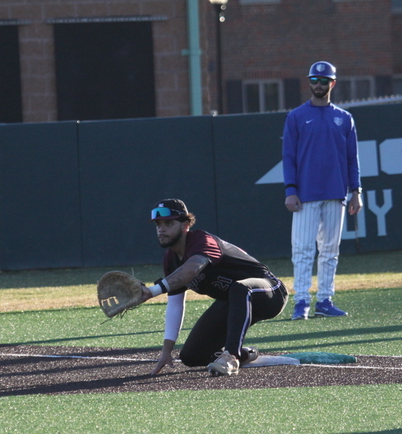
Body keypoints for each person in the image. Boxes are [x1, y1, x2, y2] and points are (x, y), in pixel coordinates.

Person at [140, 199, 288, 376]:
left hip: (269, 293)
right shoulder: (170, 259)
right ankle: (245, 354)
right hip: (235, 304)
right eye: (158, 224)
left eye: (168, 223)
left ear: (186, 225)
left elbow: (192, 268)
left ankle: (231, 356)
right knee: (191, 356)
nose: (161, 229)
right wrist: (166, 351)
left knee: (240, 288)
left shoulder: (203, 240)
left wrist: (153, 290)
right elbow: (175, 304)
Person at [282, 60, 363, 321]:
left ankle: (325, 300)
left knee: (330, 250)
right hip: (305, 194)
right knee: (303, 249)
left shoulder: (344, 117)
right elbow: (288, 157)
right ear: (309, 83)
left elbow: (353, 158)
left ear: (332, 84)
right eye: (314, 81)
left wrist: (356, 191)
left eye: (324, 81)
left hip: (336, 193)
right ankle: (302, 301)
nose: (318, 85)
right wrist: (290, 190)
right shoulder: (296, 116)